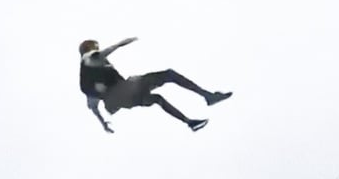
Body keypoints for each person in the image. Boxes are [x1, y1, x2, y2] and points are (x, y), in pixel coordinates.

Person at [78, 37, 232, 134]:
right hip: (125, 90)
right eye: (96, 47)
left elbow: (93, 106)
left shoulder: (85, 80)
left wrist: (103, 124)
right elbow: (97, 55)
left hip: (124, 101)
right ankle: (208, 96)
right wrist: (120, 44)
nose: (98, 50)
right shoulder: (89, 58)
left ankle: (189, 122)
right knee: (169, 74)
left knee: (157, 99)